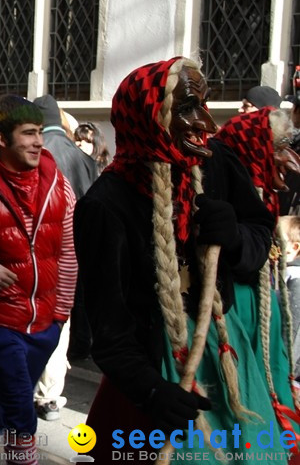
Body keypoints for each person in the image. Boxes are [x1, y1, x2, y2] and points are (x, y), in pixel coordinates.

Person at [74, 57, 284, 463]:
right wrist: (150, 390)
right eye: (187, 109)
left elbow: (260, 235)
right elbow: (109, 328)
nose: (206, 123)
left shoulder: (215, 162)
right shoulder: (105, 206)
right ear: (151, 115)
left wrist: (237, 238)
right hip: (155, 369)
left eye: (204, 106)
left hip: (226, 349)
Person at [0, 95, 77, 464]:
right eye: (28, 133)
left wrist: (60, 313)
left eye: (40, 132)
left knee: (10, 397)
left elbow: (69, 251)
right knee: (19, 399)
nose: (39, 141)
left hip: (46, 320)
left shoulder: (59, 184)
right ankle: (22, 454)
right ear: (1, 139)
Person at [210, 106, 300, 441]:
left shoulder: (265, 196)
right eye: (277, 148)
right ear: (254, 150)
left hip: (258, 313)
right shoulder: (224, 186)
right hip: (233, 316)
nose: (286, 160)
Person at [30, 94, 97, 422]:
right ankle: (50, 395)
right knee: (60, 321)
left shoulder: (32, 151)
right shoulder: (81, 155)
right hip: (71, 252)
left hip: (32, 251)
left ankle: (25, 385)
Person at [279, 215, 300, 376]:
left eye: (278, 239)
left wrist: (283, 369)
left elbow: (291, 328)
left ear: (294, 247)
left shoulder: (295, 279)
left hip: (286, 370)